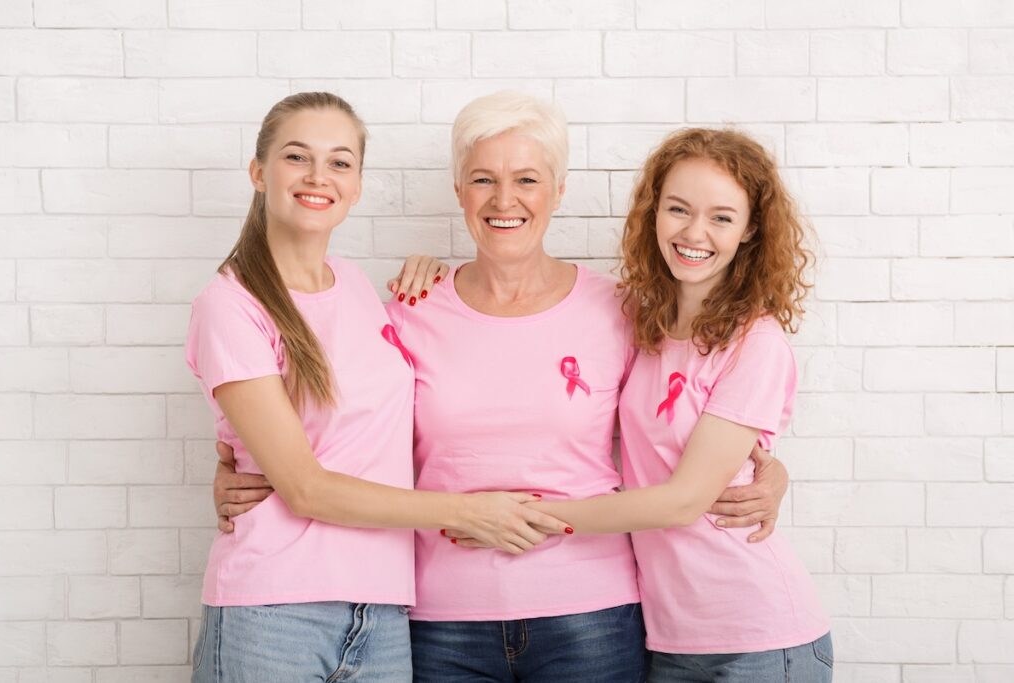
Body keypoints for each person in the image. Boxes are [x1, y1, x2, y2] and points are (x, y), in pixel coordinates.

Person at [213, 93, 791, 682]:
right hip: (443, 622)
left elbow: (679, 414)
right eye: (483, 179)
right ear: (459, 190)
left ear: (558, 191)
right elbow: (353, 424)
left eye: (527, 180)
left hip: (590, 614)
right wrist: (246, 460)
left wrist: (768, 472)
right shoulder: (408, 309)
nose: (504, 199)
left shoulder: (623, 311)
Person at [185, 91, 569, 683]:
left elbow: (387, 430)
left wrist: (437, 273)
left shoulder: (358, 287)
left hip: (383, 615)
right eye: (296, 157)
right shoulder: (231, 306)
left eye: (339, 162)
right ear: (259, 172)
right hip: (273, 611)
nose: (318, 176)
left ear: (358, 185)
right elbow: (305, 488)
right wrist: (470, 513)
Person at [494, 128, 833, 682]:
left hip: (758, 639)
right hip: (670, 638)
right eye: (678, 209)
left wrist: (530, 517)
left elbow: (682, 502)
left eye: (721, 217)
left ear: (750, 230)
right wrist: (431, 270)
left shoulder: (756, 344)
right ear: (654, 213)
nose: (694, 233)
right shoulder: (640, 325)